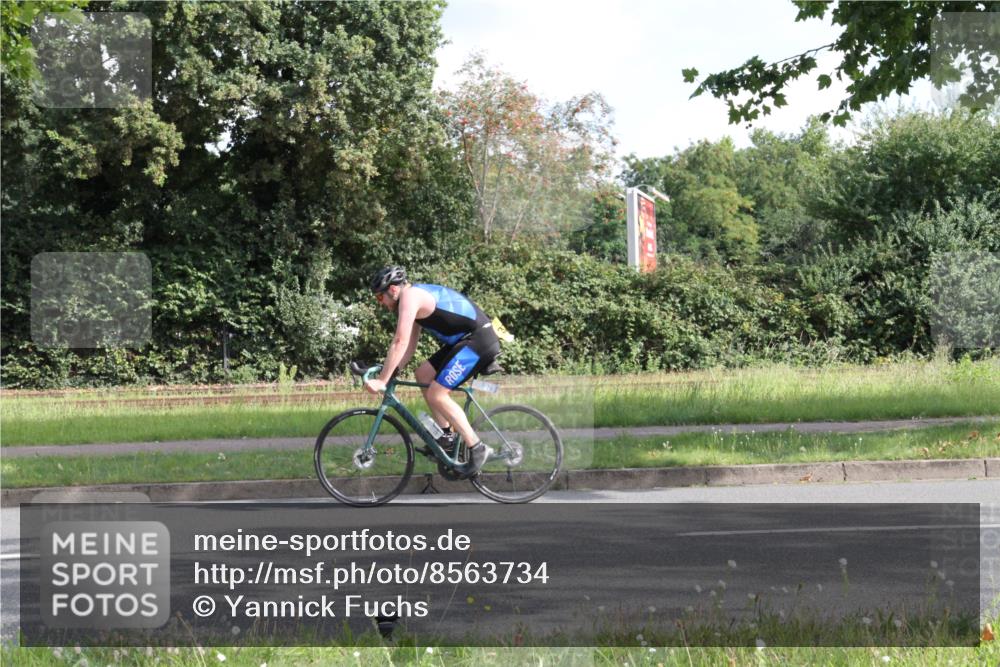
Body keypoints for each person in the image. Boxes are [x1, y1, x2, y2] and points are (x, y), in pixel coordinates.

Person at [365, 266, 499, 476]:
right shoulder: (412, 299)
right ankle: (446, 437)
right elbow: (408, 346)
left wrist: (382, 380)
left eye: (379, 298)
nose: (380, 304)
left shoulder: (410, 297)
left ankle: (477, 447)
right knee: (424, 374)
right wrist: (391, 372)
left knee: (437, 394)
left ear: (392, 290)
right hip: (466, 341)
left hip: (478, 340)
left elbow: (399, 341)